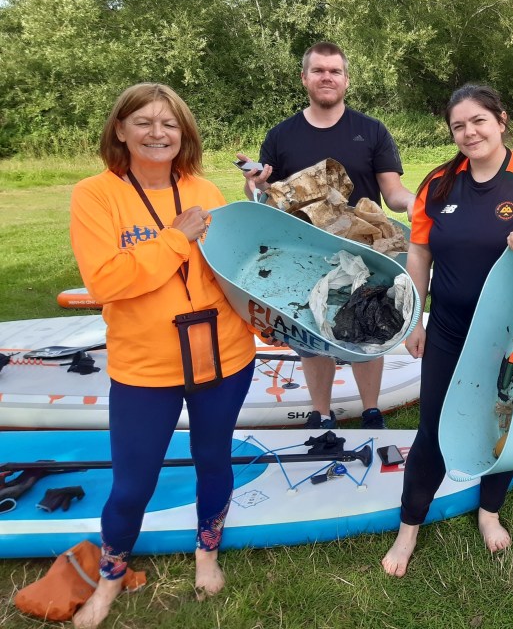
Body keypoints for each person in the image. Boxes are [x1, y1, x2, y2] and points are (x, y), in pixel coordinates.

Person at [69, 83, 261, 628]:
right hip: (145, 365)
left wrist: (269, 318)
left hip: (223, 354)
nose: (158, 133)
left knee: (213, 459)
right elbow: (106, 281)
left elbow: (235, 270)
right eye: (145, 123)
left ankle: (207, 552)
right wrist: (176, 238)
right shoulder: (96, 195)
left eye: (170, 123)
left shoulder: (204, 189)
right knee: (133, 482)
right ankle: (109, 579)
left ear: (185, 133)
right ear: (121, 131)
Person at [382, 84, 513, 578]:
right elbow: (420, 251)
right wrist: (415, 315)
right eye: (459, 126)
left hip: (511, 331)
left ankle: (488, 511)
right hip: (447, 326)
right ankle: (409, 527)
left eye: (479, 121)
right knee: (431, 426)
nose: (470, 133)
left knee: (502, 424)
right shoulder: (440, 184)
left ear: (501, 120)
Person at [239, 41, 416, 430]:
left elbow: (393, 192)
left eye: (335, 71)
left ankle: (371, 412)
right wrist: (254, 186)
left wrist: (415, 203)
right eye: (319, 70)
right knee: (310, 333)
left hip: (366, 250)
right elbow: (261, 197)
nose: (327, 77)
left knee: (370, 326)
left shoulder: (370, 131)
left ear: (346, 80)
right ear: (304, 78)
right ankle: (320, 414)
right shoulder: (282, 135)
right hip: (307, 253)